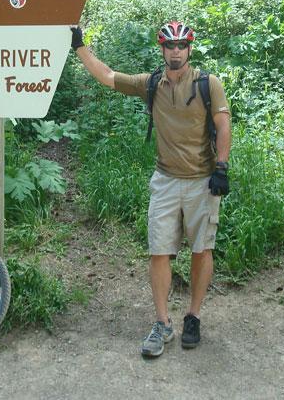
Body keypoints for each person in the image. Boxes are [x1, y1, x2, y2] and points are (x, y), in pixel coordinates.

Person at [71, 21, 231, 358]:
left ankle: (194, 317)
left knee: (202, 249)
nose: (176, 51)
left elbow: (223, 124)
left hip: (203, 180)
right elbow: (108, 76)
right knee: (159, 251)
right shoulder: (151, 83)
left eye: (181, 45)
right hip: (165, 181)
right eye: (170, 45)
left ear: (189, 49)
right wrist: (78, 45)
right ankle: (162, 323)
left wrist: (222, 166)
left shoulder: (208, 84)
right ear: (162, 49)